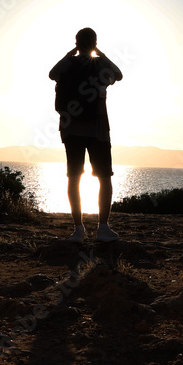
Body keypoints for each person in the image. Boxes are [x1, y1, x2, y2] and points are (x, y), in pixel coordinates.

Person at [49, 27, 123, 242]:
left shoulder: (68, 64)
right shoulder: (100, 65)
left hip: (71, 129)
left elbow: (52, 74)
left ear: (76, 43)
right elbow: (118, 74)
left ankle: (78, 229)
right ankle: (103, 228)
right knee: (104, 177)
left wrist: (69, 54)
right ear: (94, 43)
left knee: (74, 177)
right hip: (98, 129)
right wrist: (101, 53)